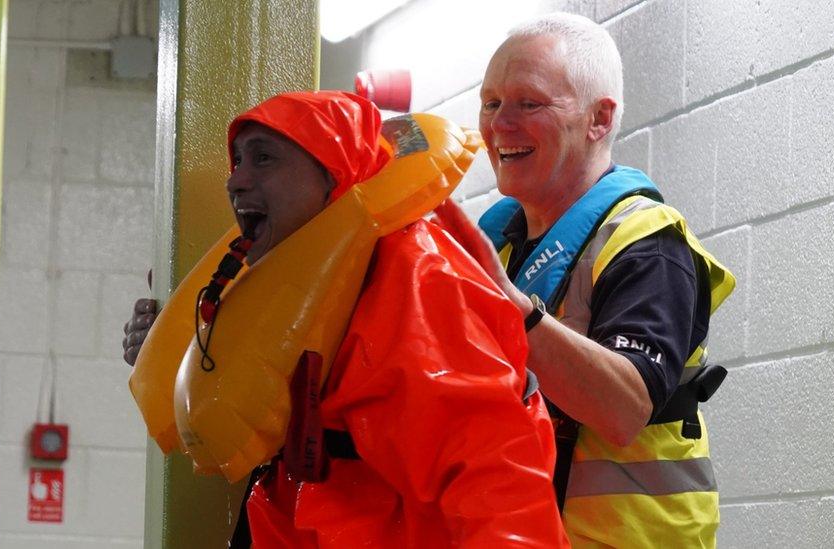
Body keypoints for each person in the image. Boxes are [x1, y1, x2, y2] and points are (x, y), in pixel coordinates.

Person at [125, 91, 569, 547]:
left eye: (263, 159)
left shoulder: (422, 284)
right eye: (237, 161)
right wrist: (171, 346)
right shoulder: (296, 277)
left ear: (334, 174)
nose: (236, 181)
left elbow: (496, 475)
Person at [433, 13, 736, 548]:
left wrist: (511, 307)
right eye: (491, 103)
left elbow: (624, 409)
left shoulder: (646, 240)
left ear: (599, 119)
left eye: (529, 103)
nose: (500, 124)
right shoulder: (496, 243)